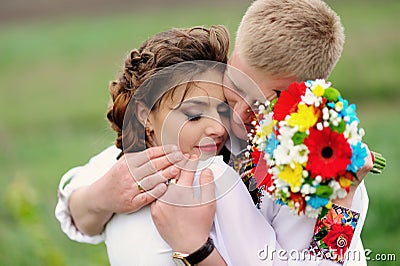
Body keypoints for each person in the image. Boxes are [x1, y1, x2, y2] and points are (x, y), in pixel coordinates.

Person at [55, 0, 372, 264]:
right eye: (233, 88)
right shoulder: (171, 143)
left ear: (308, 94)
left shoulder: (315, 173)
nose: (231, 119)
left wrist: (196, 248)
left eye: (269, 101)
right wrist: (102, 196)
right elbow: (77, 206)